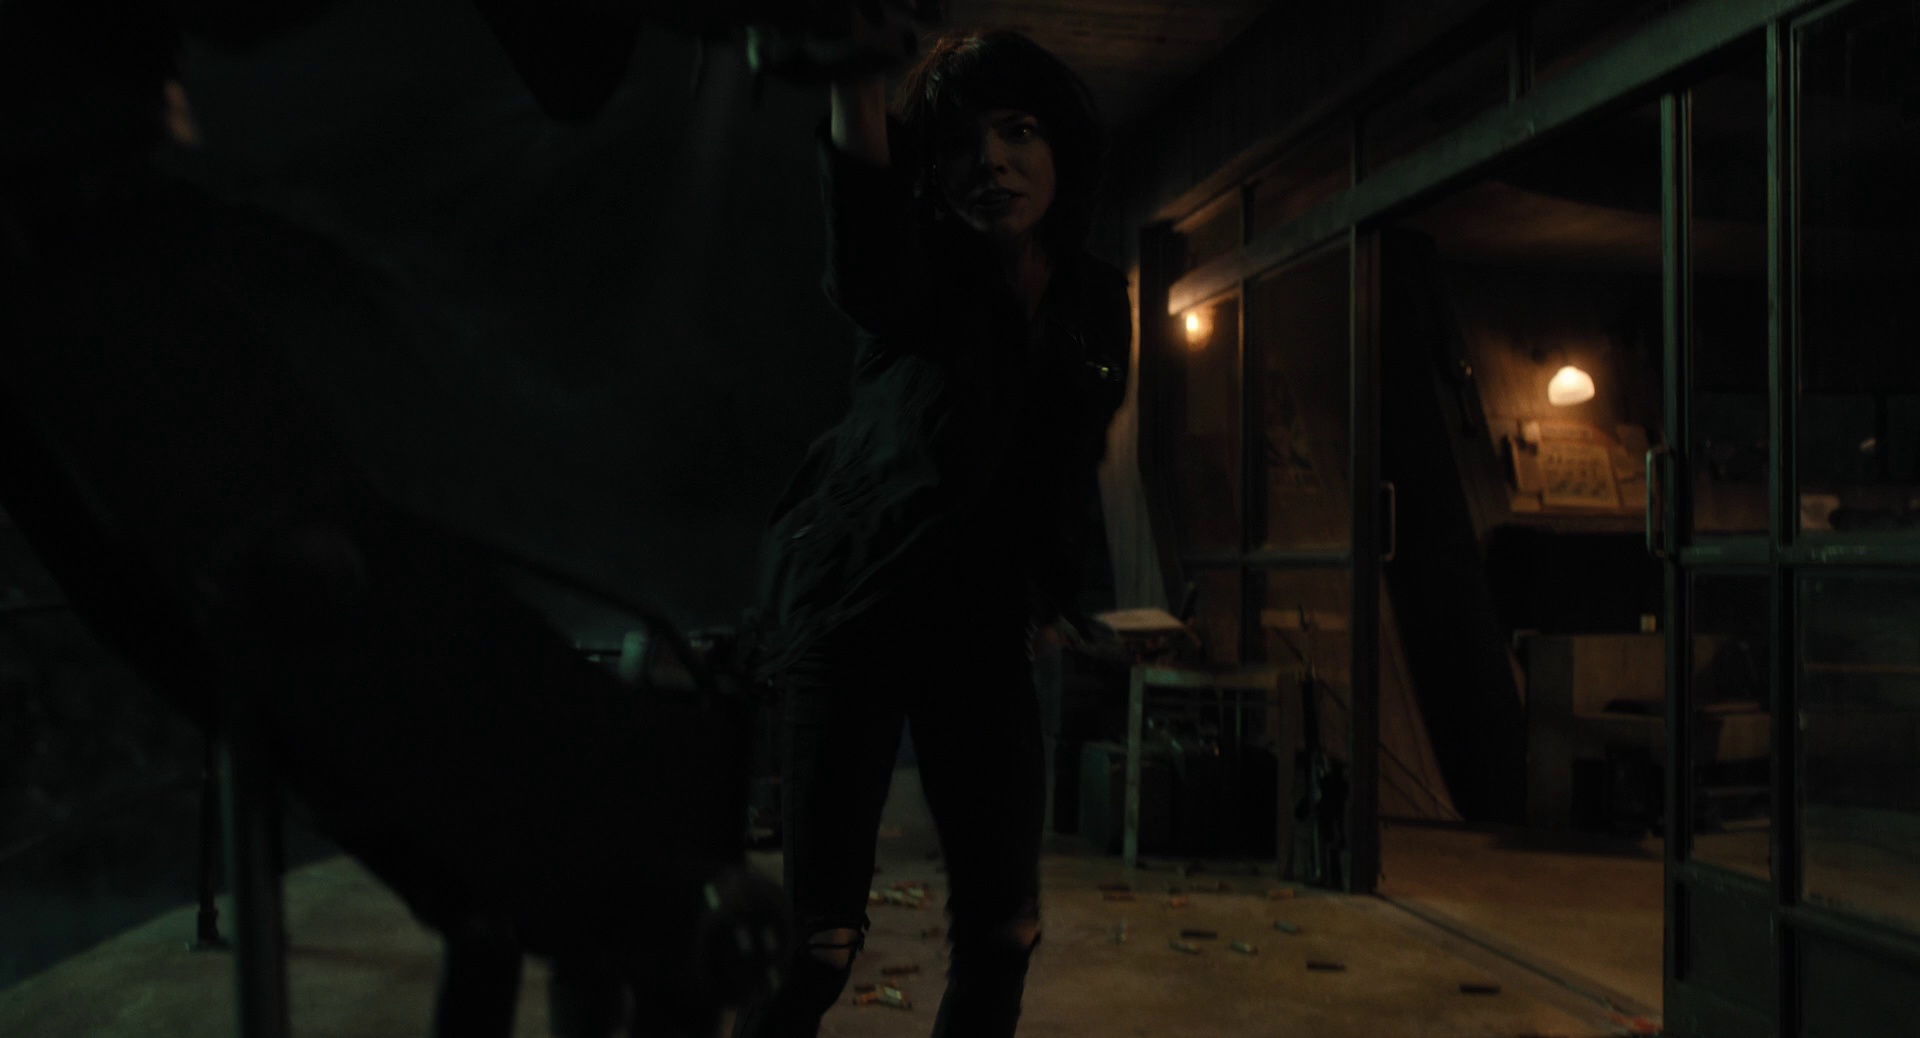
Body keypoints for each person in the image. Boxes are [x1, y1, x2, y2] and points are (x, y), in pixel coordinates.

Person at [736, 25, 1131, 1038]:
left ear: (1062, 149)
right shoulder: (921, 269)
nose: (990, 162)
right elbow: (867, 259)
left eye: (1019, 132)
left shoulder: (1095, 298)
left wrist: (1051, 599)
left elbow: (1068, 459)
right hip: (856, 608)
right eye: (960, 142)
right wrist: (857, 90)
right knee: (819, 948)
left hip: (982, 623)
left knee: (1005, 931)